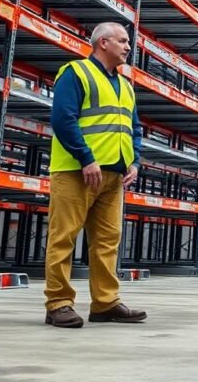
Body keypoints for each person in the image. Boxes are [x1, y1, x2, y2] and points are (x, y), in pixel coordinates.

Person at [44, 22, 147, 328]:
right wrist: (86, 158)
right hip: (76, 171)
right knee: (63, 238)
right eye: (123, 41)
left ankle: (105, 303)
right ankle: (58, 303)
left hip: (114, 175)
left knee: (107, 241)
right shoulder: (76, 72)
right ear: (103, 42)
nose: (128, 47)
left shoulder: (126, 85)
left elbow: (134, 127)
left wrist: (134, 161)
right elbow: (63, 119)